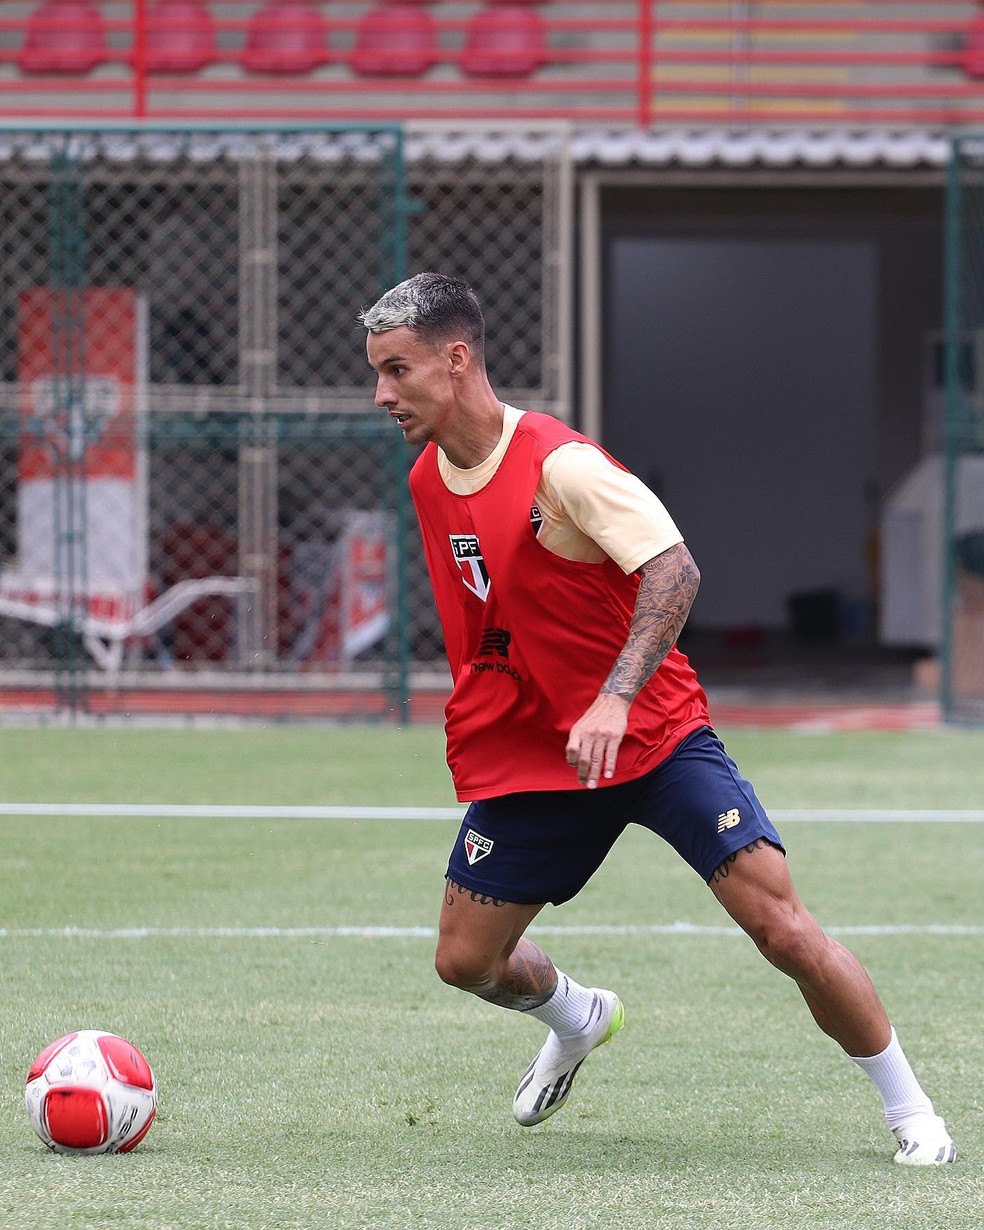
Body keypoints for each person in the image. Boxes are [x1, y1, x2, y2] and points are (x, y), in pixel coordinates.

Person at [359, 271, 956, 1166]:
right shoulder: (426, 479)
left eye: (397, 371)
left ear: (456, 359)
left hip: (653, 734)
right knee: (464, 962)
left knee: (782, 929)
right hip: (538, 755)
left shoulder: (564, 466)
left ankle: (913, 1113)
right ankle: (578, 1016)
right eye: (377, 372)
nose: (382, 393)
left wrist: (613, 697)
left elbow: (674, 571)